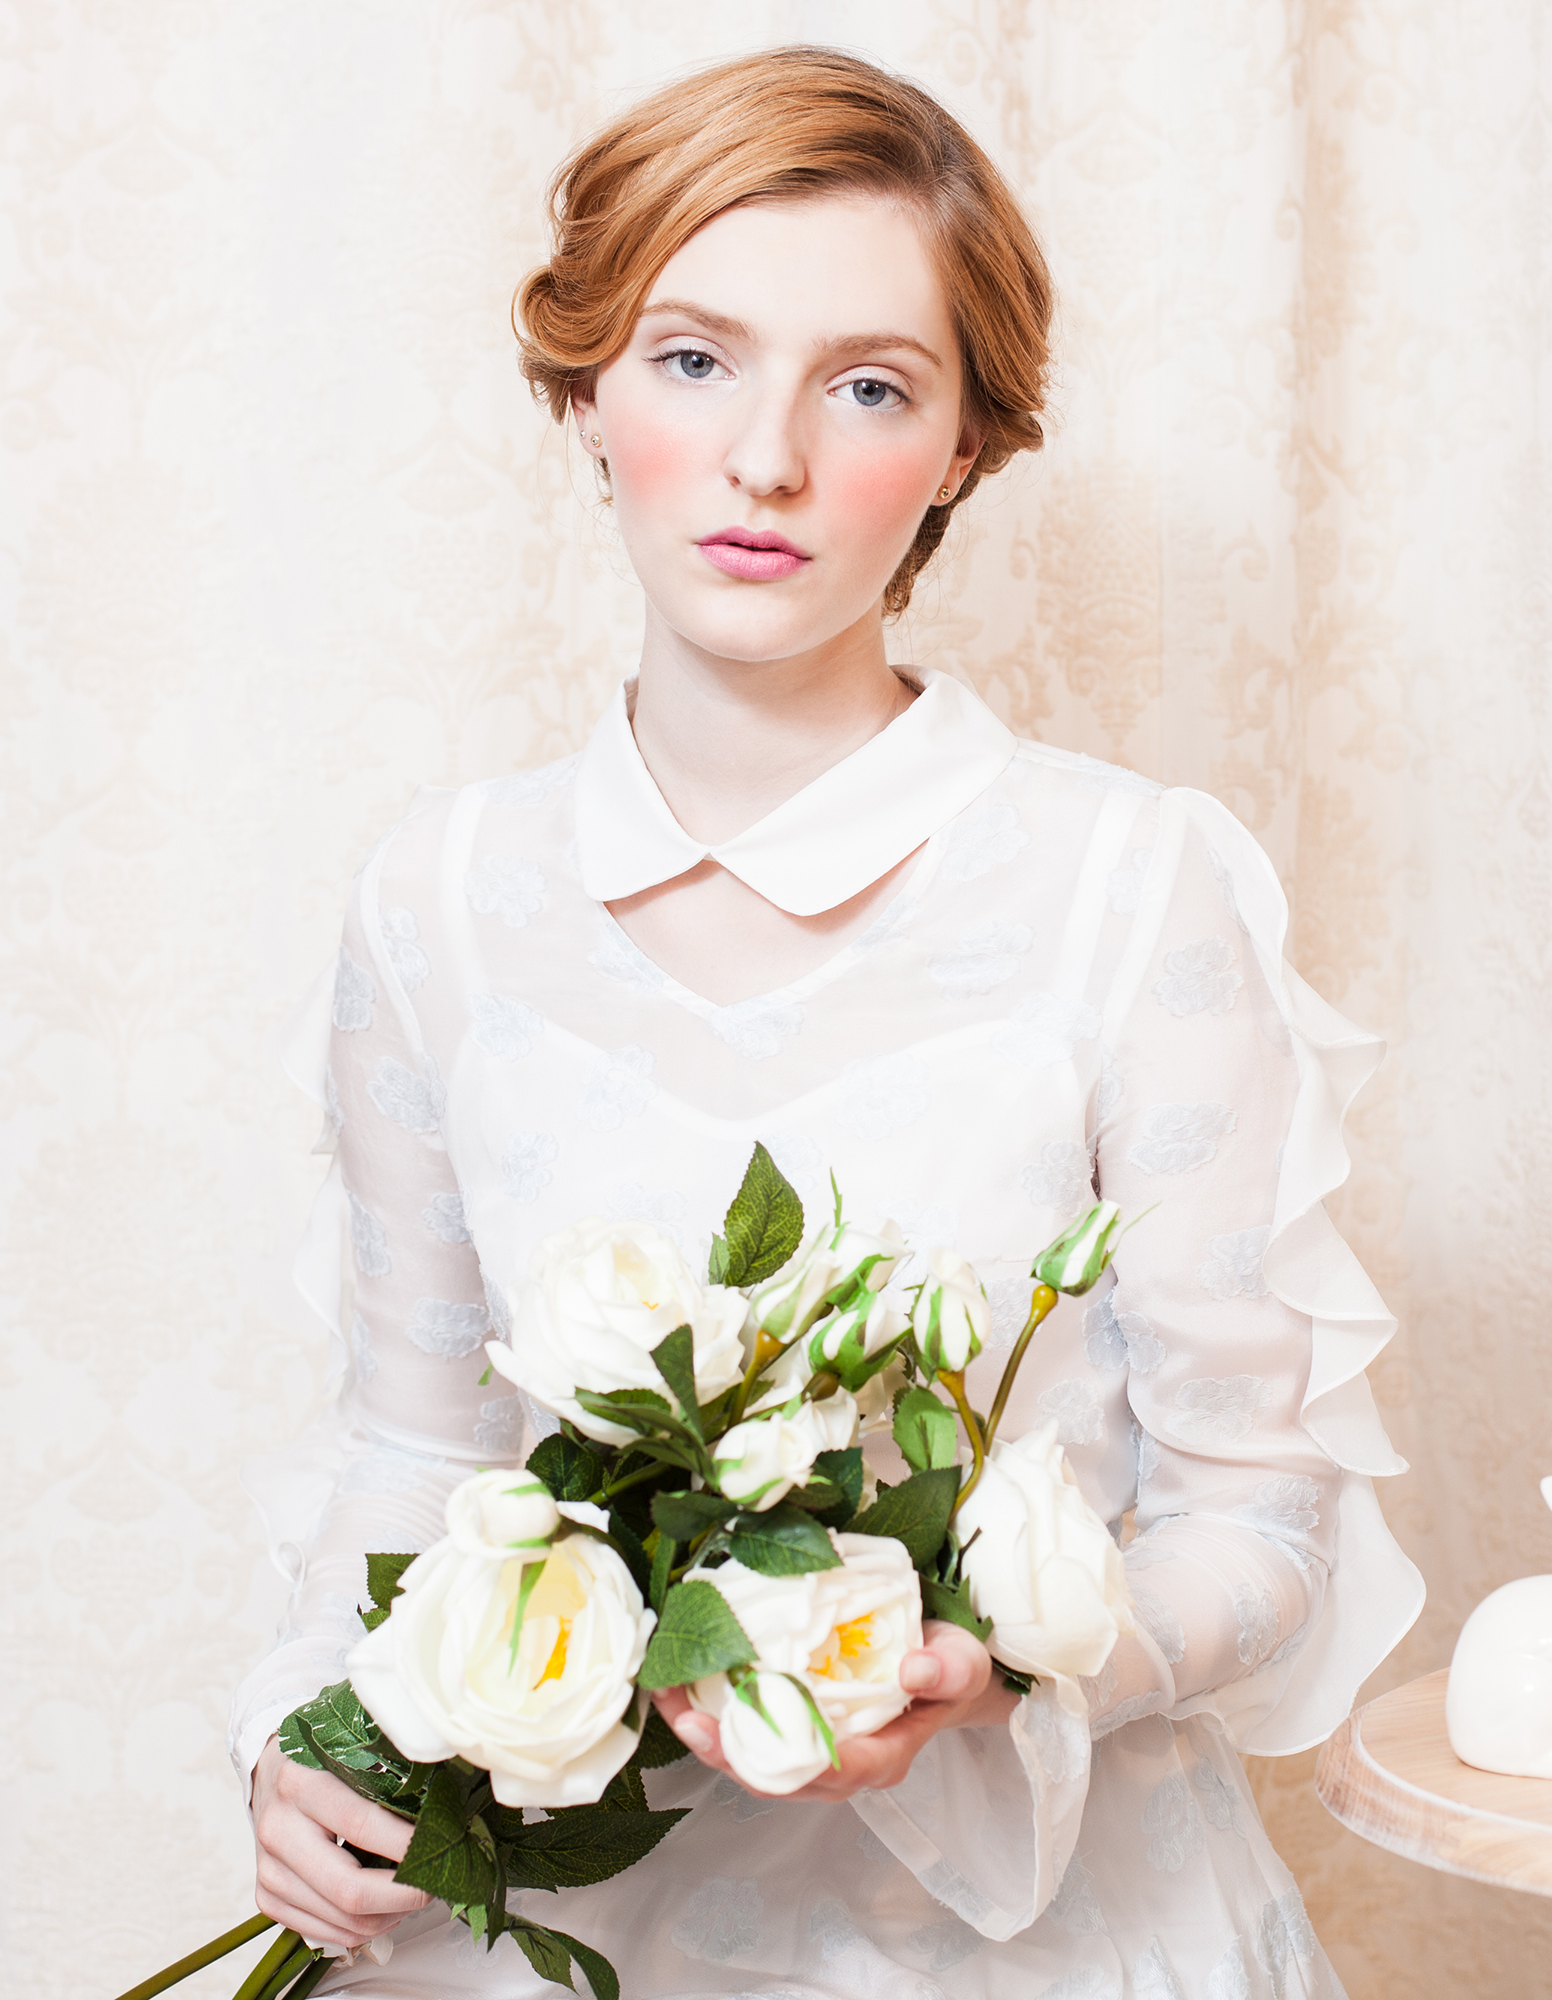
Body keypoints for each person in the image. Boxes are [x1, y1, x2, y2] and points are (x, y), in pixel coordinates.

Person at [229, 46, 1420, 1998]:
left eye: (868, 385)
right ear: (588, 387)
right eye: (695, 359)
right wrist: (303, 1730)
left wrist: (1006, 1662)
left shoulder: (1130, 890)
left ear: (962, 447)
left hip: (1035, 1945)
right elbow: (409, 1446)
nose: (767, 458)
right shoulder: (437, 901)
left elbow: (1260, 1523)